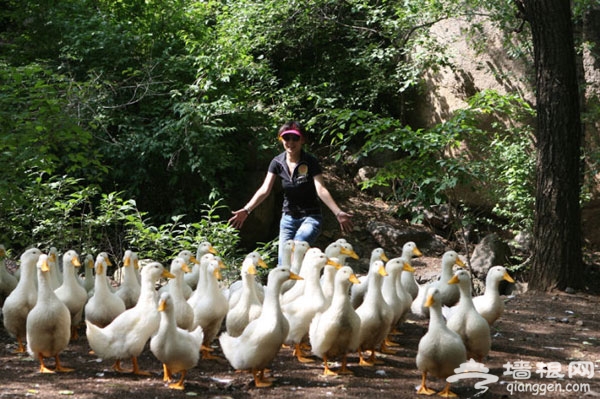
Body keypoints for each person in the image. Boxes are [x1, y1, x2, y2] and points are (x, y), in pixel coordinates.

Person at [228, 121, 354, 264]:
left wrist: (338, 212)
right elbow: (264, 189)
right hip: (288, 218)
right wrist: (247, 210)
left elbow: (321, 189)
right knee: (283, 263)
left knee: (297, 246)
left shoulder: (310, 162)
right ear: (281, 140)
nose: (290, 142)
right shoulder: (277, 162)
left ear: (302, 140)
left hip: (311, 217)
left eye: (295, 138)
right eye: (286, 138)